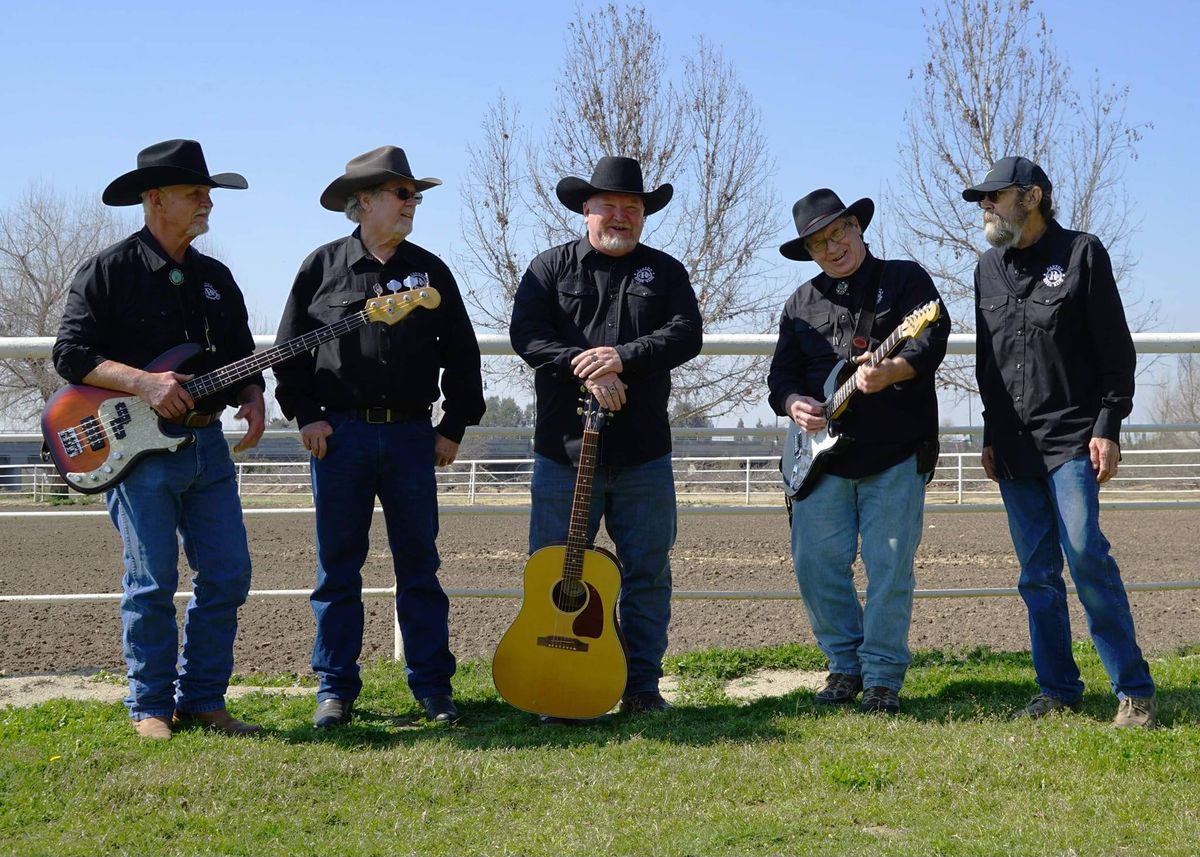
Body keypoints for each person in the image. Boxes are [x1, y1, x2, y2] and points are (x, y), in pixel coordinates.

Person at [52, 139, 265, 740]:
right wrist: (143, 382)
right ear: (155, 200)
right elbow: (70, 354)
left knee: (228, 574)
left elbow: (240, 356)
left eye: (207, 192)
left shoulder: (216, 278)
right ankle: (150, 706)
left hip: (207, 447)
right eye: (195, 192)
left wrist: (251, 394)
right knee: (151, 584)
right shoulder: (108, 270)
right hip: (136, 453)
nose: (207, 203)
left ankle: (202, 699)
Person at [273, 146, 485, 728]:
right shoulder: (320, 267)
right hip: (338, 437)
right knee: (337, 568)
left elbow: (464, 360)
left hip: (414, 437)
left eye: (415, 195)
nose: (413, 204)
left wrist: (452, 427)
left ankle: (433, 689)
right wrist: (306, 415)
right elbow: (287, 352)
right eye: (403, 194)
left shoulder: (432, 271)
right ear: (363, 203)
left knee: (420, 565)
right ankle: (334, 690)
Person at [964, 156, 1157, 728]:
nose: (986, 207)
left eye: (994, 197)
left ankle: (1134, 691)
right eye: (982, 200)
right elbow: (987, 363)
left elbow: (1116, 352)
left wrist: (1108, 426)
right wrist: (990, 432)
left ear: (1033, 197)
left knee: (1086, 557)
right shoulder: (986, 270)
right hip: (1015, 446)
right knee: (1036, 575)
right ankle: (1058, 689)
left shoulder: (1082, 254)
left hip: (1073, 439)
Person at [509, 156, 702, 720]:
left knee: (647, 572)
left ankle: (641, 686)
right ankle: (555, 683)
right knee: (554, 571)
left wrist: (624, 357)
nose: (621, 216)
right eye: (609, 206)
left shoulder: (665, 273)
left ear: (643, 215)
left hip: (643, 454)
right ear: (585, 210)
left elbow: (686, 334)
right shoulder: (549, 269)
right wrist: (589, 366)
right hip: (564, 454)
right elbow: (528, 337)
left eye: (632, 207)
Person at [767, 188, 949, 714]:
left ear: (857, 226)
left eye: (838, 232)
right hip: (821, 460)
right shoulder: (799, 303)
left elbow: (931, 338)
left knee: (890, 566)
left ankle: (883, 677)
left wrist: (893, 369)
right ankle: (844, 665)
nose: (833, 247)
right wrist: (793, 401)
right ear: (809, 251)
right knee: (814, 564)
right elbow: (780, 375)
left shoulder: (906, 280)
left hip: (894, 452)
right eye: (819, 242)